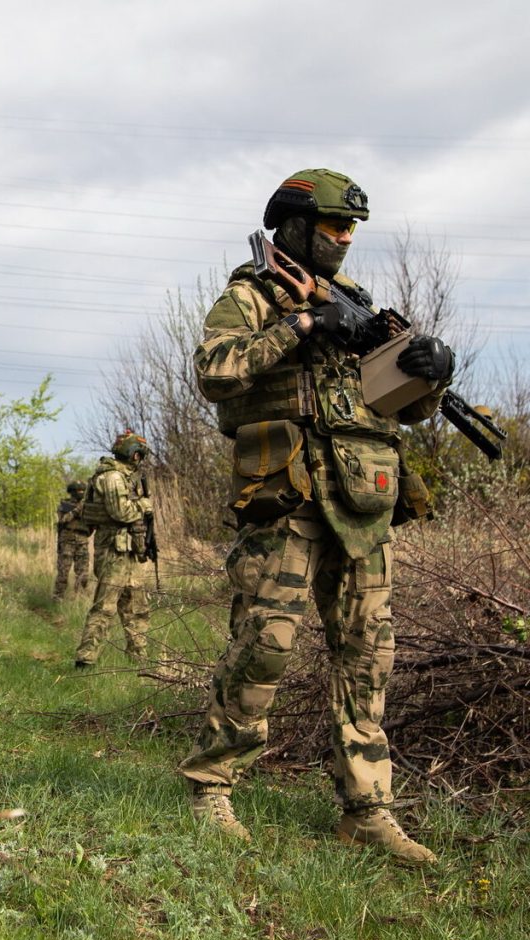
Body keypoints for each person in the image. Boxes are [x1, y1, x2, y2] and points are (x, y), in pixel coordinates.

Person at [179, 169, 453, 863]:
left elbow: (401, 407)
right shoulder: (254, 294)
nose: (345, 238)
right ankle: (212, 786)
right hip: (288, 495)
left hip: (364, 498)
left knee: (369, 654)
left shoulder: (357, 307)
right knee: (265, 645)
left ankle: (366, 810)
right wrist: (299, 324)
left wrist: (428, 369)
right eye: (334, 225)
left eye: (352, 227)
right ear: (295, 225)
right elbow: (214, 371)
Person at [74, 430, 152, 668]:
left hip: (129, 550)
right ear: (133, 453)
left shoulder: (125, 476)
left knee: (136, 606)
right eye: (139, 454)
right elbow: (122, 512)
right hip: (113, 551)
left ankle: (138, 658)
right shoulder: (112, 477)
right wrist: (145, 505)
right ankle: (85, 659)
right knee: (105, 606)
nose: (140, 459)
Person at [53, 480, 92, 599]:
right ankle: (57, 598)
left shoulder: (88, 505)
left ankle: (79, 599)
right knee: (63, 574)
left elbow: (92, 524)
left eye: (82, 491)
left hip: (83, 542)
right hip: (67, 542)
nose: (80, 493)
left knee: (83, 574)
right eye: (78, 491)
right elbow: (63, 519)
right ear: (72, 492)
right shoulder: (64, 506)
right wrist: (77, 510)